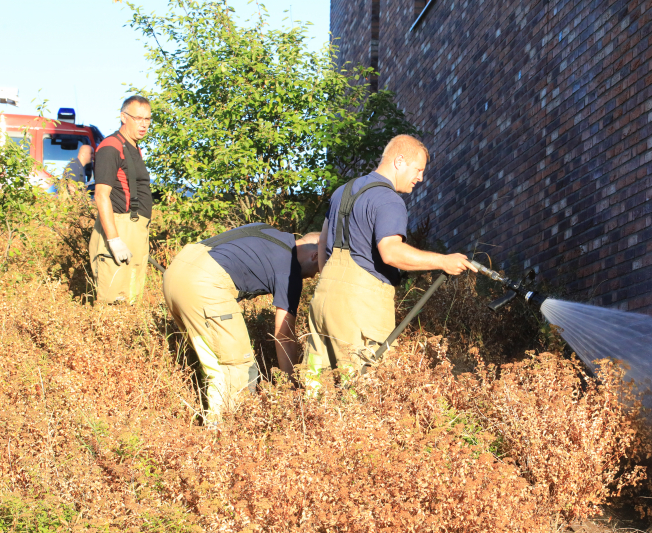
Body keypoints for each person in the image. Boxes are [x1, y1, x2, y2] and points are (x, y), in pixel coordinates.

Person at [304, 134, 476, 381]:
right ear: (399, 161)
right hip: (359, 307)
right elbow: (391, 252)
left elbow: (322, 242)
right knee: (366, 389)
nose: (421, 177)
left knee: (317, 386)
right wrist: (443, 261)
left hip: (323, 298)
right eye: (418, 169)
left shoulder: (342, 192)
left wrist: (330, 281)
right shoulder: (388, 199)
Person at [163, 224, 320, 426]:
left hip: (175, 271)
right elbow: (284, 335)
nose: (313, 277)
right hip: (205, 284)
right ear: (314, 256)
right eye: (317, 269)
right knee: (236, 367)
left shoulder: (267, 231)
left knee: (213, 359)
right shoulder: (289, 269)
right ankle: (224, 435)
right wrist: (291, 388)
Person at [88, 95, 153, 304]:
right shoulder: (111, 146)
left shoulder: (133, 146)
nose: (143, 124)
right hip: (120, 226)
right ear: (123, 117)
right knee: (113, 299)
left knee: (132, 297)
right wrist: (114, 240)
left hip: (135, 228)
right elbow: (101, 195)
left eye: (147, 119)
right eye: (138, 118)